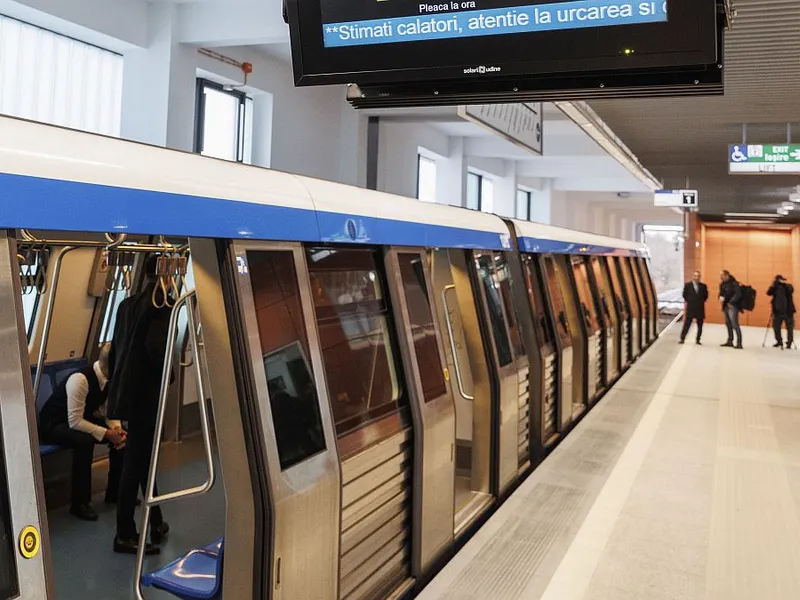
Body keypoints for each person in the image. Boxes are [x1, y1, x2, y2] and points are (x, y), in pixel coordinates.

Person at [107, 255, 171, 555]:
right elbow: (157, 351)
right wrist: (168, 375)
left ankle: (156, 521)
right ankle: (124, 533)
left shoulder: (125, 305)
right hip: (146, 395)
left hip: (126, 393)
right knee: (135, 464)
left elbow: (114, 350)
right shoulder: (161, 307)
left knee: (142, 460)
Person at [38, 344, 126, 521]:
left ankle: (114, 493)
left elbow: (106, 410)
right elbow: (75, 421)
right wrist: (106, 433)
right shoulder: (80, 380)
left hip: (77, 419)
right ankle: (80, 504)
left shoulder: (108, 381)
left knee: (124, 438)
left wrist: (116, 429)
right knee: (84, 441)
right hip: (53, 424)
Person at [680, 271, 708, 345]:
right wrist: (690, 301)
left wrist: (700, 301)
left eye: (698, 276)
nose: (697, 278)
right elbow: (684, 295)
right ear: (693, 277)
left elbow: (705, 296)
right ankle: (682, 338)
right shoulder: (688, 285)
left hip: (700, 308)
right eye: (695, 276)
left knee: (700, 325)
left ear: (700, 277)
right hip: (691, 307)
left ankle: (698, 339)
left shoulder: (703, 286)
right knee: (687, 324)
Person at [767, 274, 795, 349]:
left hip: (781, 311)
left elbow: (791, 290)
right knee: (788, 328)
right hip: (786, 311)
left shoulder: (784, 287)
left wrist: (777, 285)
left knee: (778, 327)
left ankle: (781, 341)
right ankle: (787, 342)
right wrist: (776, 285)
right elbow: (768, 292)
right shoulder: (780, 287)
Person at [719, 270, 743, 349]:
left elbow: (738, 294)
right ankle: (730, 341)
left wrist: (731, 302)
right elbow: (721, 293)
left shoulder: (734, 283)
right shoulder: (722, 284)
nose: (720, 276)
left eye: (722, 275)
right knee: (728, 323)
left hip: (733, 306)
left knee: (735, 324)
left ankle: (739, 343)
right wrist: (720, 297)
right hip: (725, 306)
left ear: (727, 275)